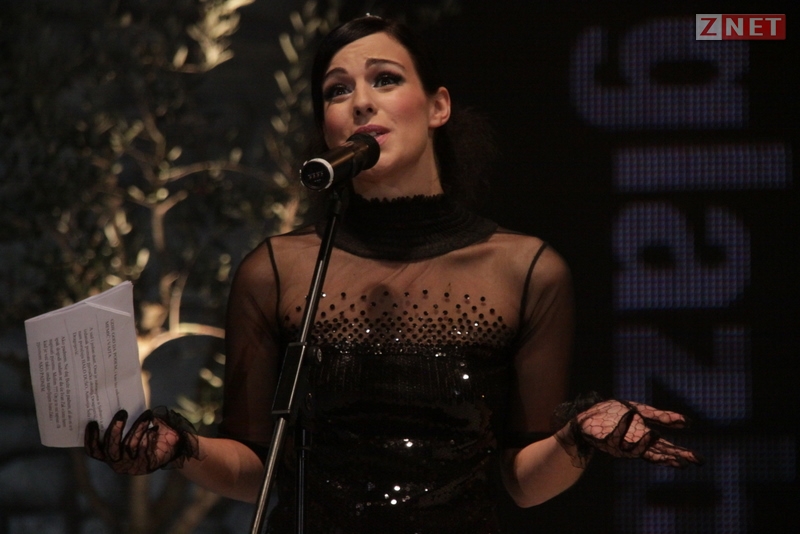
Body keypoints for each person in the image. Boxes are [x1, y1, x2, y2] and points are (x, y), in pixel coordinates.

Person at [84, 15, 702, 533]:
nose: (360, 102)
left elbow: (522, 481)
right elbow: (256, 469)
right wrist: (181, 449)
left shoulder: (524, 268)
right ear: (325, 126)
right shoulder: (278, 269)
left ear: (438, 106)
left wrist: (579, 439)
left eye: (385, 79)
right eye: (336, 90)